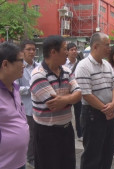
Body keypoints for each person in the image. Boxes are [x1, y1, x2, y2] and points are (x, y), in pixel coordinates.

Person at [30, 35, 81, 169]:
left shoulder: (67, 71)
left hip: (66, 129)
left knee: (68, 165)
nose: (67, 52)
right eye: (64, 49)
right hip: (46, 133)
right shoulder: (38, 74)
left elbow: (79, 94)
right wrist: (71, 96)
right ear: (53, 52)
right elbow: (54, 105)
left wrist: (65, 99)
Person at [75, 32, 114, 169]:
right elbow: (86, 93)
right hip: (92, 114)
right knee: (92, 154)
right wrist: (106, 109)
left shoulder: (106, 64)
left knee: (107, 150)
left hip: (108, 112)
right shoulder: (83, 66)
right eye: (106, 45)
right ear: (95, 46)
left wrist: (113, 104)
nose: (109, 48)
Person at [15, 40, 38, 167]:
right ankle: (30, 158)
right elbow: (16, 88)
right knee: (30, 135)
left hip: (40, 107)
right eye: (29, 49)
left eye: (33, 49)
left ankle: (37, 155)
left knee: (39, 134)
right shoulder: (19, 67)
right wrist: (32, 88)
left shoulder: (38, 66)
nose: (32, 52)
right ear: (22, 51)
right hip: (26, 108)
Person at [65, 42, 83, 142]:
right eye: (71, 49)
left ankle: (80, 134)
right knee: (66, 112)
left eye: (75, 49)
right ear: (67, 52)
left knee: (78, 113)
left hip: (77, 92)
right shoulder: (63, 63)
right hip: (66, 92)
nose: (74, 51)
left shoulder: (80, 63)